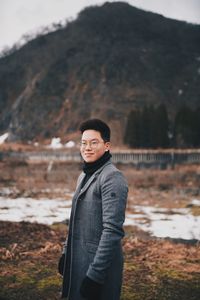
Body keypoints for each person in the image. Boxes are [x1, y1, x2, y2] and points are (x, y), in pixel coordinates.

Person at [58, 119, 128, 300]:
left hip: (98, 266)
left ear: (107, 146)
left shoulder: (112, 178)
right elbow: (75, 219)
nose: (87, 148)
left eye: (93, 142)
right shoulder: (83, 175)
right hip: (79, 259)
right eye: (83, 143)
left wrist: (96, 276)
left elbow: (112, 230)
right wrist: (66, 251)